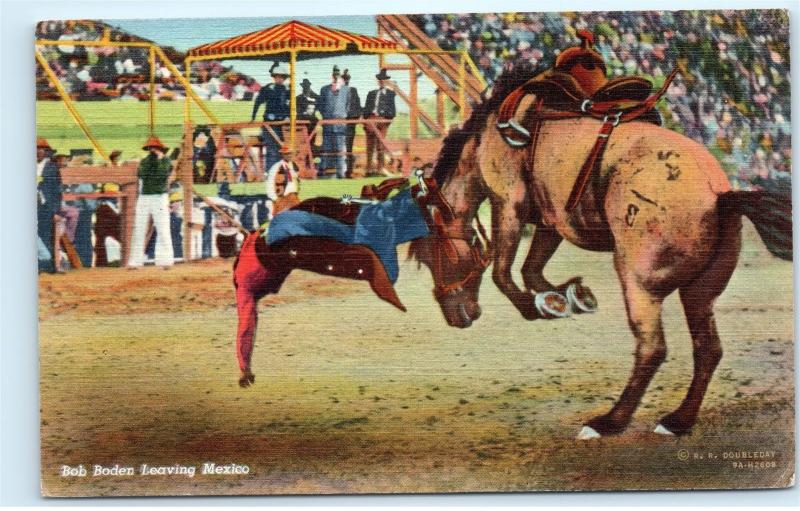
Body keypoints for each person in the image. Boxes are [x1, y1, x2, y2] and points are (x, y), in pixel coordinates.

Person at [128, 136, 174, 269]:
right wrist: (155, 162)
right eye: (151, 148)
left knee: (163, 228)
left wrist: (158, 161)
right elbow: (142, 174)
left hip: (159, 196)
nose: (153, 151)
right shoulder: (145, 161)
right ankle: (136, 261)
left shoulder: (166, 161)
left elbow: (162, 174)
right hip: (146, 196)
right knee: (139, 227)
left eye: (155, 148)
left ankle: (165, 260)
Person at [251, 63, 291, 171]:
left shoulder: (286, 90)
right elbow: (257, 102)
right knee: (272, 148)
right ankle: (270, 171)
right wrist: (253, 117)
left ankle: (281, 171)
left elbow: (289, 106)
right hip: (270, 122)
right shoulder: (267, 89)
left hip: (282, 124)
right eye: (278, 76)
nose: (280, 79)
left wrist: (288, 116)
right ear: (274, 77)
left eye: (282, 77)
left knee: (283, 148)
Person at [317, 65, 350, 178]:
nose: (336, 77)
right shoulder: (324, 89)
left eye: (338, 75)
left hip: (340, 125)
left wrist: (341, 117)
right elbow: (320, 105)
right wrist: (326, 116)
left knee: (340, 149)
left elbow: (348, 106)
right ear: (332, 76)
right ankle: (323, 172)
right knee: (326, 148)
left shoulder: (346, 90)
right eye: (334, 75)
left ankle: (341, 173)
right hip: (327, 124)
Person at [363, 69, 397, 176]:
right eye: (380, 80)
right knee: (370, 145)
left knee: (380, 145)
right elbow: (366, 109)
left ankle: (380, 168)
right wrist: (366, 120)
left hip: (383, 120)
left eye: (383, 79)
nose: (382, 81)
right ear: (378, 81)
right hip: (371, 119)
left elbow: (392, 111)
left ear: (386, 81)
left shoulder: (390, 94)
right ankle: (369, 169)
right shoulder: (371, 93)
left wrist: (386, 122)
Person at [37, 138, 62, 272]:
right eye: (36, 149)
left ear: (46, 152)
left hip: (45, 206)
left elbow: (57, 191)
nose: (38, 152)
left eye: (41, 149)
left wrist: (56, 211)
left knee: (45, 234)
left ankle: (45, 266)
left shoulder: (52, 168)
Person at [265, 145, 301, 219]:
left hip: (293, 197)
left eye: (290, 153)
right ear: (282, 155)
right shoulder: (276, 167)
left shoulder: (294, 166)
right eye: (287, 154)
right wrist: (275, 198)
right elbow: (270, 183)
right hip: (282, 198)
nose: (289, 156)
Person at [342, 69, 361, 177]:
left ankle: (349, 171)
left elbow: (357, 106)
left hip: (350, 123)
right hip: (339, 123)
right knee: (339, 146)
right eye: (344, 79)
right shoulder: (337, 92)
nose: (346, 81)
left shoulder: (353, 90)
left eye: (347, 79)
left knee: (349, 146)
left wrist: (355, 118)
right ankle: (339, 170)